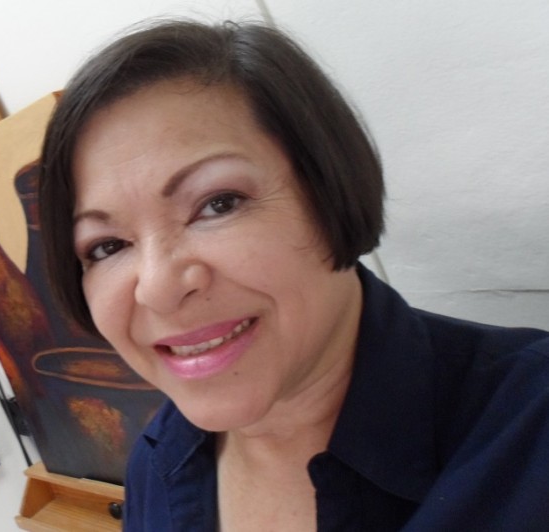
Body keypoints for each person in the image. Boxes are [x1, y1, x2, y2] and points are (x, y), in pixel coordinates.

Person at [38, 19, 549, 531]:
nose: (158, 288)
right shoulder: (155, 464)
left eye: (219, 203)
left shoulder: (529, 430)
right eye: (107, 246)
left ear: (330, 187)